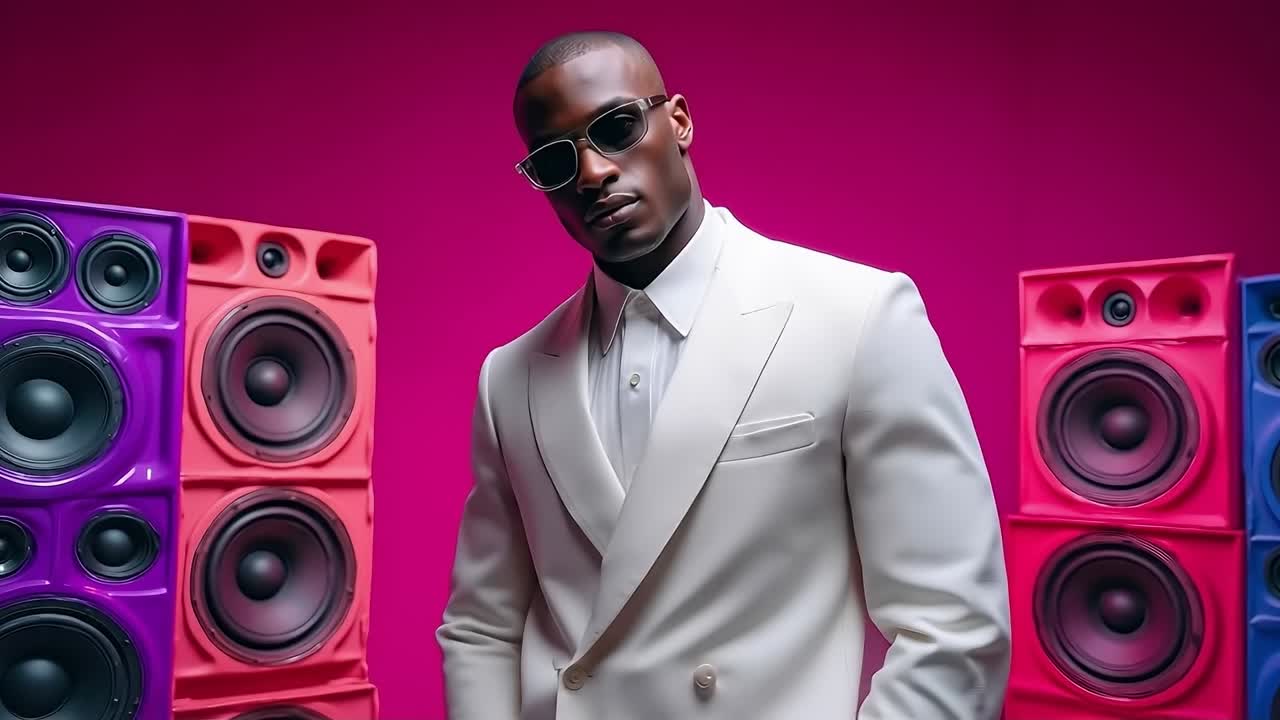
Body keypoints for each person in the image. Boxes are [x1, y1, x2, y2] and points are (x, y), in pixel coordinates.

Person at [436, 30, 1011, 720]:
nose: (592, 174)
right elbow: (481, 625)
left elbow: (954, 628)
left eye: (616, 127)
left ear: (677, 121)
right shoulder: (511, 378)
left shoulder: (859, 317)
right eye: (558, 161)